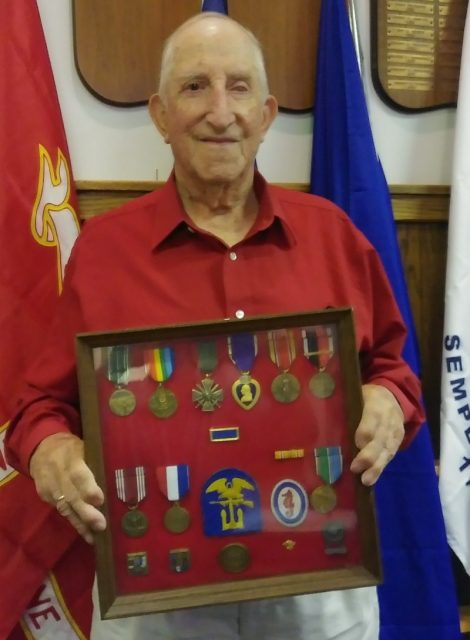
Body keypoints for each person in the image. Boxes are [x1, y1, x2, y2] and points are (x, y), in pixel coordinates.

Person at [6, 12, 424, 640]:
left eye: (239, 87)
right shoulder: (104, 253)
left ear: (267, 112)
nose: (220, 112)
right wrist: (51, 449)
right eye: (194, 86)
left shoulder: (333, 237)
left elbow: (395, 370)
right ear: (159, 115)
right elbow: (38, 405)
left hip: (314, 582)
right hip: (156, 591)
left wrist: (387, 399)